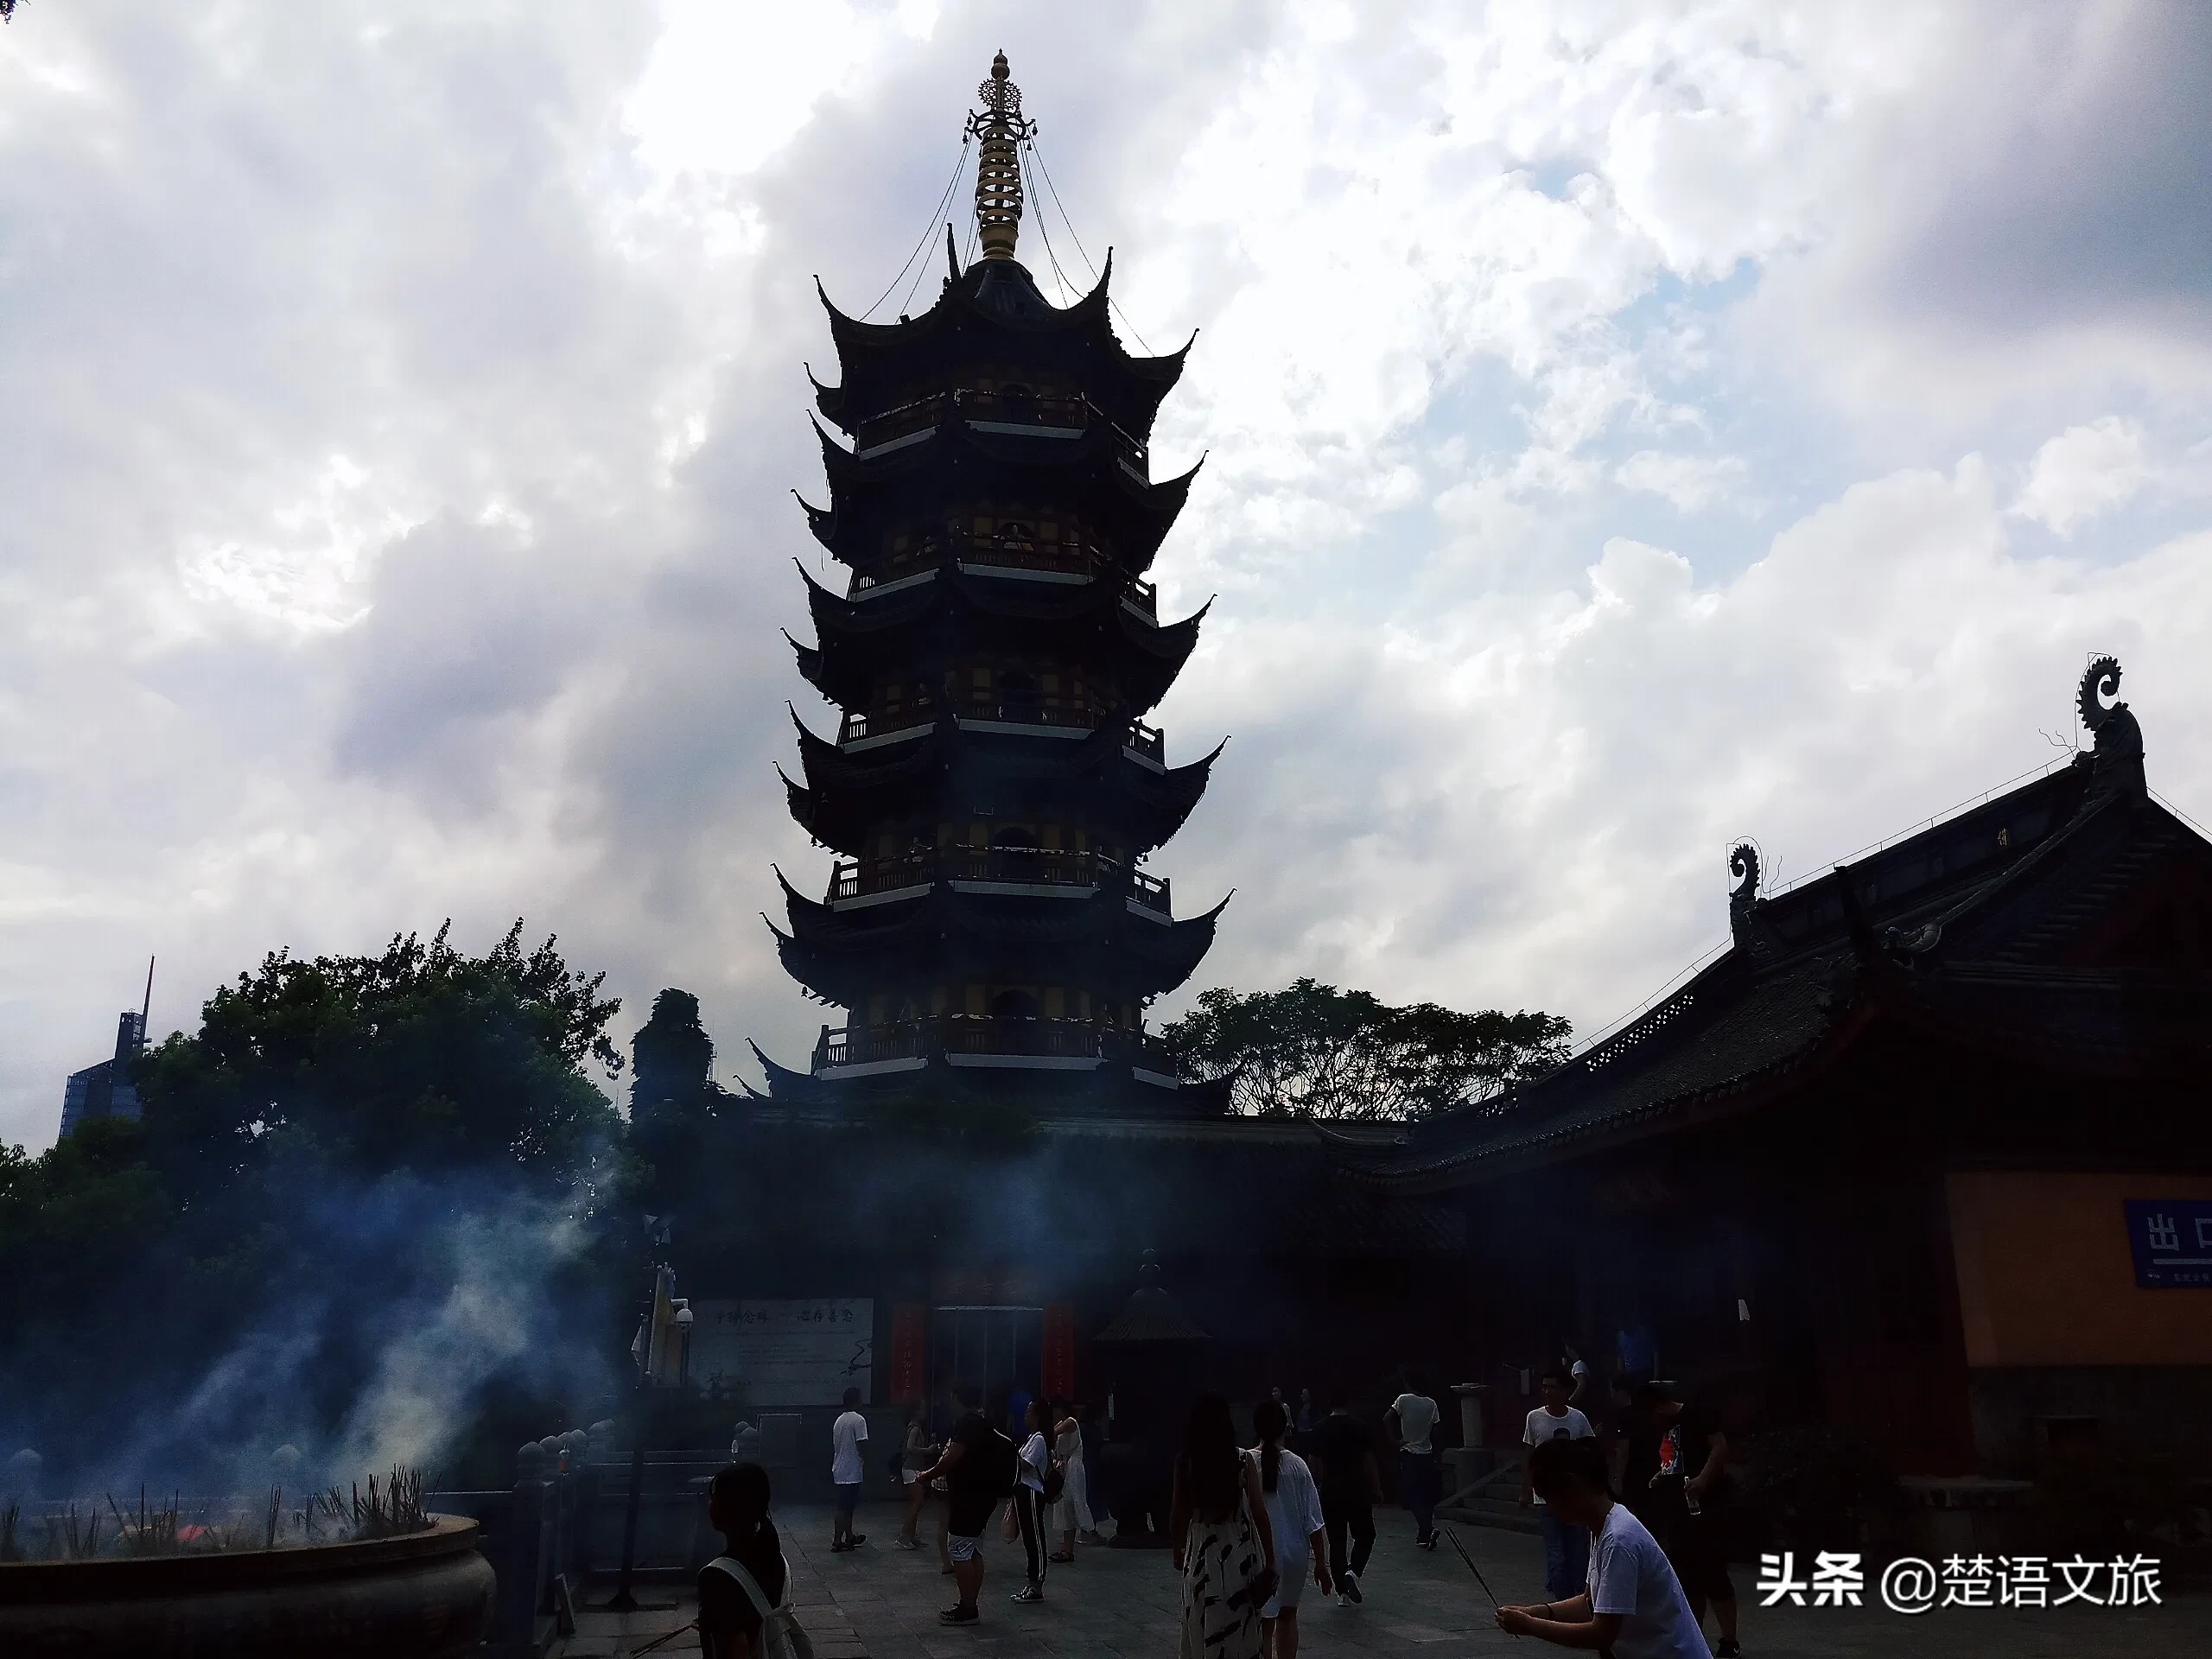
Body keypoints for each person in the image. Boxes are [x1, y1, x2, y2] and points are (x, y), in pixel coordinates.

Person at [1495, 1437, 1708, 1656]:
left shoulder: (1619, 1539)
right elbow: (1589, 1602)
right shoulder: (1603, 1526)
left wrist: (1530, 1625)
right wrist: (1535, 1613)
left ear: (1573, 1486)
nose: (1549, 1508)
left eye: (1549, 1497)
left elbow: (1602, 1633)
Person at [1630, 1382, 1741, 1657]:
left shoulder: (1698, 1414)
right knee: (1687, 1577)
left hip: (1707, 1508)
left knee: (1713, 1573)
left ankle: (1730, 1639)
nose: (1650, 1422)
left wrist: (1703, 1480)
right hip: (1677, 1511)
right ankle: (1695, 1635)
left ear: (1658, 1406)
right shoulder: (1666, 1427)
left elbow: (1720, 1448)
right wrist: (1660, 1475)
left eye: (1650, 1415)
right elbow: (1672, 1457)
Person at [1172, 1392, 1277, 1659]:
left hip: (1199, 1560)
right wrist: (1271, 1559)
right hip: (1238, 1560)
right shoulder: (1242, 1460)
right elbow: (1259, 1512)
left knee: (1201, 1630)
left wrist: (1177, 1549)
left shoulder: (1186, 1462)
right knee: (1240, 1636)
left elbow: (1178, 1513)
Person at [917, 1386, 1004, 1625]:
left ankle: (967, 1608)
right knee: (972, 1549)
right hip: (983, 1497)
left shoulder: (966, 1425)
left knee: (958, 1550)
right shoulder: (984, 1422)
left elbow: (951, 1458)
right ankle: (970, 1603)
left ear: (956, 1398)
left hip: (970, 1498)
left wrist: (928, 1474)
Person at [1253, 1398, 1329, 1659]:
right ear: (1285, 1428)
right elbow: (1314, 1521)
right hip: (1295, 1553)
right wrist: (1321, 1562)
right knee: (1288, 1616)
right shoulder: (1298, 1466)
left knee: (1263, 1622)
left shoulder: (1248, 1464)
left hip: (1261, 1554)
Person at [1518, 1365, 1599, 1604]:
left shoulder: (1577, 1418)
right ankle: (1563, 1603)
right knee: (1557, 1554)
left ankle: (1581, 1601)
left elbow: (1590, 1451)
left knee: (1579, 1551)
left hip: (1574, 1496)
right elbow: (1529, 1455)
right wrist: (1525, 1489)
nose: (1547, 1392)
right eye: (1544, 1387)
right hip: (1545, 1496)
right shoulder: (1534, 1417)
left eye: (1552, 1387)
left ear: (1565, 1390)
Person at [698, 1461, 791, 1659]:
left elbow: (734, 1648)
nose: (709, 1504)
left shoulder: (718, 1575)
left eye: (714, 1497)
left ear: (729, 1508)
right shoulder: (774, 1556)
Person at [1305, 1387, 1379, 1606]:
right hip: (1357, 1487)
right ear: (1349, 1402)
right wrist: (1376, 1486)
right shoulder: (1360, 1428)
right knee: (1366, 1535)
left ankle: (1341, 1592)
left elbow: (1313, 1463)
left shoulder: (1319, 1429)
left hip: (1331, 1488)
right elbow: (1370, 1461)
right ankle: (1353, 1572)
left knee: (1337, 1540)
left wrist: (1314, 1487)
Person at [1385, 1377, 1442, 1550]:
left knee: (1413, 1495)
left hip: (1409, 1452)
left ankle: (1427, 1528)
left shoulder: (1403, 1399)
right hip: (1427, 1452)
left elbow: (1387, 1418)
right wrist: (1438, 1456)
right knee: (1426, 1495)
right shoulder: (1431, 1404)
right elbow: (1437, 1430)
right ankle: (1424, 1535)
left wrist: (1394, 1441)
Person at [1004, 1396, 1050, 1602]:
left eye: (1029, 1412)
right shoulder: (1032, 1438)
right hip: (1023, 1490)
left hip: (1032, 1491)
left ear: (1038, 1416)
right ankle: (1032, 1583)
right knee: (1029, 1539)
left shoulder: (1039, 1439)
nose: (1025, 1415)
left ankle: (1036, 1584)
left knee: (1035, 1538)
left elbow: (1026, 1465)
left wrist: (1011, 1453)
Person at [1047, 1398, 1093, 1561]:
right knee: (1065, 1507)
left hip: (1073, 1467)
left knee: (1071, 1505)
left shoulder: (1070, 1422)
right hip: (1065, 1467)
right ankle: (1067, 1548)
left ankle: (1068, 1548)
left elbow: (1052, 1432)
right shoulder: (1062, 1423)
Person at [829, 1386, 868, 1552]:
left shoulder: (839, 1421)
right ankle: (837, 1540)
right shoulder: (859, 1420)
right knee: (845, 1506)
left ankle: (849, 1536)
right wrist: (866, 1459)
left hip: (839, 1467)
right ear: (855, 1400)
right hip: (852, 1469)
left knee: (847, 1506)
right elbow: (862, 1444)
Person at [895, 1402, 936, 1552]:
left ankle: (911, 1536)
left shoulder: (913, 1427)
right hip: (911, 1468)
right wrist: (928, 1450)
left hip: (913, 1468)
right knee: (916, 1503)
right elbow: (910, 1448)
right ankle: (904, 1536)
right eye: (922, 1409)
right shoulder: (915, 1428)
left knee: (917, 1502)